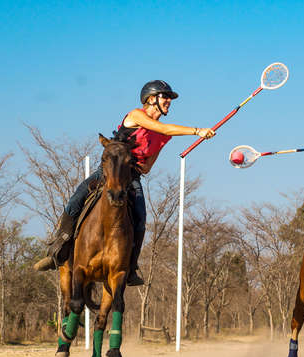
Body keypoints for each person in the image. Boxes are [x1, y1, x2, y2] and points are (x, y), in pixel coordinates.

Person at [33, 80, 215, 286]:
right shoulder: (136, 115)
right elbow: (163, 129)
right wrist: (197, 130)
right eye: (165, 97)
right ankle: (56, 252)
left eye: (169, 98)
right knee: (76, 198)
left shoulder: (164, 136)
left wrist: (141, 165)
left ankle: (131, 267)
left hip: (132, 177)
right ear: (151, 99)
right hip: (110, 171)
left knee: (140, 218)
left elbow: (148, 165)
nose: (169, 102)